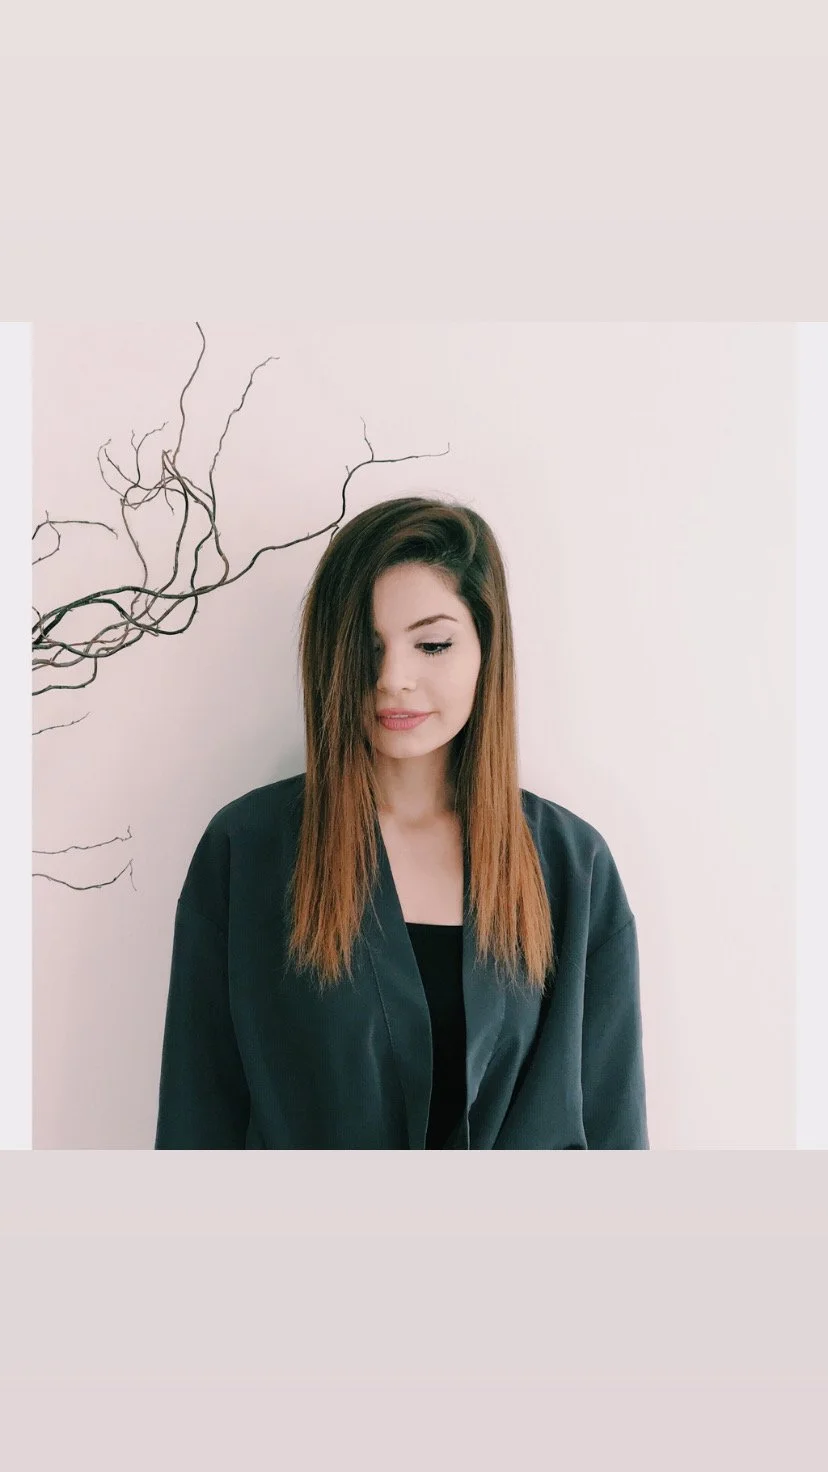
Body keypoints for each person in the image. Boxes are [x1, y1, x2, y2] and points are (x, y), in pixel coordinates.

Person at [154, 496, 648, 1149]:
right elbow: (197, 1120)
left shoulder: (570, 866)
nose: (394, 679)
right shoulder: (248, 850)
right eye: (367, 646)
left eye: (433, 644)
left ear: (485, 648)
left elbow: (613, 1126)